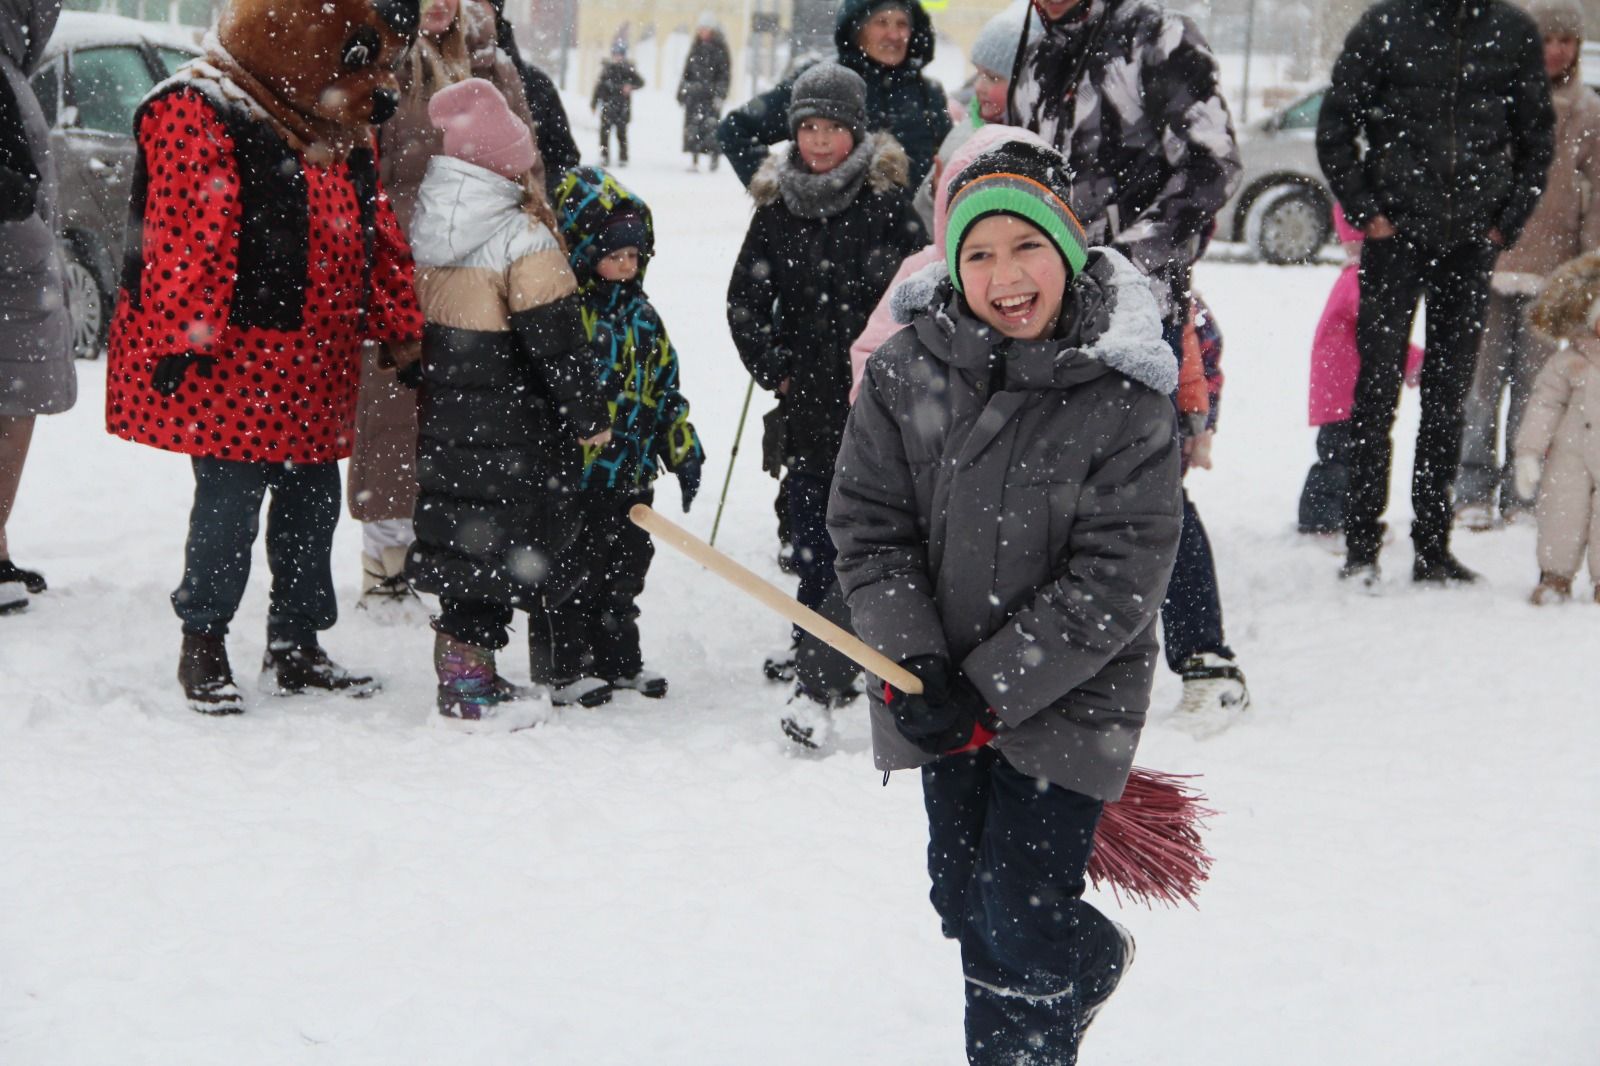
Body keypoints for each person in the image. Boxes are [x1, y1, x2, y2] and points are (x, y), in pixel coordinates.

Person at [828, 133, 1182, 1065]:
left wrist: (990, 688)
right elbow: (869, 527)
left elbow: (1121, 575)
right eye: (976, 253)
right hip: (936, 690)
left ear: (1067, 249)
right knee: (961, 897)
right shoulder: (907, 373)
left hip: (1070, 698)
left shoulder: (1125, 395)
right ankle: (1088, 956)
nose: (1004, 274)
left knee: (1016, 921)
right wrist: (916, 662)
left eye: (1026, 246)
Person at [103, 0, 423, 713]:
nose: (375, 84)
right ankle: (204, 642)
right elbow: (191, 232)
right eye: (358, 59)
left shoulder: (339, 122)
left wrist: (399, 325)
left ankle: (297, 642)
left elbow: (378, 230)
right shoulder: (202, 106)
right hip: (237, 365)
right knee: (229, 505)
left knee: (311, 508)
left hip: (320, 358)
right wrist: (185, 332)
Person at [1010, 0, 1247, 719]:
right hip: (1044, 301)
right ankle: (1068, 657)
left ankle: (1203, 654)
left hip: (1138, 298)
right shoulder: (1034, 49)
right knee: (1051, 482)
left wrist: (1125, 259)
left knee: (1146, 479)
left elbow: (1215, 161)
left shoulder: (1156, 35)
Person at [1316, 0, 1553, 587]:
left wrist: (1505, 222)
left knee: (1448, 399)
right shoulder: (1385, 24)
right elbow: (1336, 126)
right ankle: (1362, 544)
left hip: (1470, 241)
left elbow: (1536, 138)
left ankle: (1432, 546)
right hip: (1394, 234)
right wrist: (1367, 210)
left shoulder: (1510, 30)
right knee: (1375, 395)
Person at [725, 60, 927, 746]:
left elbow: (917, 295)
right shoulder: (778, 206)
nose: (817, 141)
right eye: (806, 127)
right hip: (808, 398)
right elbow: (744, 300)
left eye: (831, 128)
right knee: (811, 527)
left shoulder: (886, 204)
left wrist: (900, 369)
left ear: (856, 131)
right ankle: (814, 641)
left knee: (871, 529)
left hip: (879, 402)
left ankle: (868, 646)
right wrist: (773, 365)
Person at [404, 78, 613, 725]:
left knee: (468, 546)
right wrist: (589, 417)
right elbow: (559, 346)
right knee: (512, 549)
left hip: (451, 419)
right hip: (514, 424)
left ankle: (465, 674)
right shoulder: (523, 239)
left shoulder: (432, 222)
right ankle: (476, 687)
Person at [349, 0, 539, 617]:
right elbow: (360, 163)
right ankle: (387, 562)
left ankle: (464, 557)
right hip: (399, 260)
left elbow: (527, 164)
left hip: (480, 261)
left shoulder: (493, 65)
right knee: (391, 413)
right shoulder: (379, 59)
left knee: (472, 416)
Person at [529, 166, 705, 703]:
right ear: (583, 249)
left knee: (624, 569)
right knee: (569, 571)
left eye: (635, 255)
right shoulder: (565, 315)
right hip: (575, 474)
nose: (626, 265)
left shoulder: (643, 317)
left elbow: (666, 386)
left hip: (630, 473)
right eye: (615, 254)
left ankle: (616, 657)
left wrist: (681, 445)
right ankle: (563, 669)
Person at [1457, 0, 1600, 532]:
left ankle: (1523, 493)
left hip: (1554, 274)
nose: (1556, 50)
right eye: (1547, 39)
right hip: (1489, 263)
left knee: (1537, 388)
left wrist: (1588, 273)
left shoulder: (1589, 111)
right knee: (1479, 383)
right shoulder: (1494, 100)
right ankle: (1470, 487)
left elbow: (1596, 200)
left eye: (1567, 40)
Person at [0, 0, 74, 616]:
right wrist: (26, 225)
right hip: (12, 267)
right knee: (14, 400)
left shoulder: (10, 66)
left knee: (15, 398)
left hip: (15, 267)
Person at [718, 0, 952, 191]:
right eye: (881, 22)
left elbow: (950, 164)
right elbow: (736, 129)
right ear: (857, 29)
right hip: (830, 243)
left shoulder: (928, 94)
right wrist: (779, 193)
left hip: (913, 243)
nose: (893, 34)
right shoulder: (823, 83)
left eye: (902, 24)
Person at [1299, 206, 1426, 537]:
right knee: (1340, 459)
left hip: (1341, 387)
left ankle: (1340, 516)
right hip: (1345, 389)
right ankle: (1321, 520)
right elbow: (1380, 327)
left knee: (1346, 457)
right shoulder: (1359, 280)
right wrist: (1414, 360)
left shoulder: (1353, 276)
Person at [1511, 251, 1600, 604]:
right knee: (1562, 512)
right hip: (1571, 453)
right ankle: (1555, 576)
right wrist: (1529, 452)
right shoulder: (1568, 363)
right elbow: (1544, 405)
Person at [677, 16, 730, 171]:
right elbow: (687, 72)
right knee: (693, 128)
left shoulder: (720, 49)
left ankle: (714, 158)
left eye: (704, 29)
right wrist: (682, 91)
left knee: (711, 128)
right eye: (700, 29)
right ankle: (694, 159)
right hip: (694, 95)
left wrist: (720, 94)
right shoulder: (696, 47)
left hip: (710, 96)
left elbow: (724, 74)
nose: (702, 32)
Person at [591, 42, 644, 168]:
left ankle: (623, 157)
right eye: (615, 54)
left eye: (620, 54)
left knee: (621, 133)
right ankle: (604, 156)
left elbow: (640, 82)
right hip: (607, 105)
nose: (617, 57)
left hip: (622, 107)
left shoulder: (628, 69)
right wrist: (594, 103)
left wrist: (630, 86)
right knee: (604, 133)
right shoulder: (607, 69)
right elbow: (599, 87)